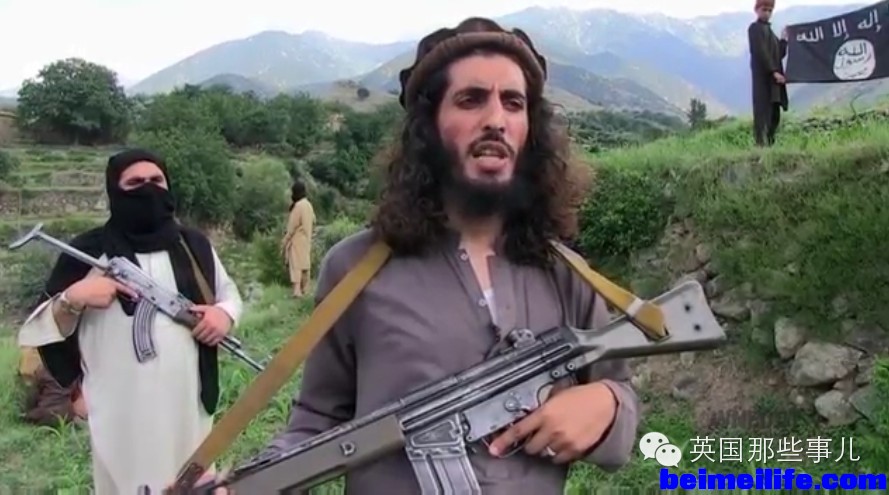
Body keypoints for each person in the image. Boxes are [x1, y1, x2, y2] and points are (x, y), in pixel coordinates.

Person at [213, 17, 641, 495]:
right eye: (471, 99)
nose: (496, 119)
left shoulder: (566, 274)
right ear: (428, 127)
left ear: (530, 131)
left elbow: (622, 400)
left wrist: (607, 406)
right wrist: (247, 485)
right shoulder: (354, 270)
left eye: (513, 103)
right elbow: (316, 421)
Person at [17, 148, 244, 494]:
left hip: (187, 402)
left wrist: (222, 315)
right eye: (135, 183)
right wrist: (73, 297)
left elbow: (229, 296)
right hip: (119, 407)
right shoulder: (88, 251)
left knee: (194, 483)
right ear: (114, 191)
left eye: (156, 181)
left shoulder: (193, 245)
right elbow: (39, 327)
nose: (148, 189)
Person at [748, 0, 789, 146]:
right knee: (762, 116)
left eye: (770, 10)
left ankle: (771, 147)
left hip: (774, 84)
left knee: (774, 117)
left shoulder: (771, 33)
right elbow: (761, 53)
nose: (767, 13)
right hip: (763, 82)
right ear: (757, 10)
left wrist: (784, 40)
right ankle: (760, 148)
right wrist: (773, 72)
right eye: (764, 9)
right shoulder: (754, 29)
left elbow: (778, 54)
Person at [17, 345, 87, 427]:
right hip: (68, 416)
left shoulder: (42, 370)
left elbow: (32, 397)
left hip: (43, 416)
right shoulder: (75, 368)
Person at [281, 179, 315, 297]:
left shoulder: (298, 206)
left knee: (296, 265)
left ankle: (297, 291)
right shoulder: (309, 205)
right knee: (305, 264)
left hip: (297, 240)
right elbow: (314, 221)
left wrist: (285, 240)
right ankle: (306, 289)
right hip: (307, 238)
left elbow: (292, 226)